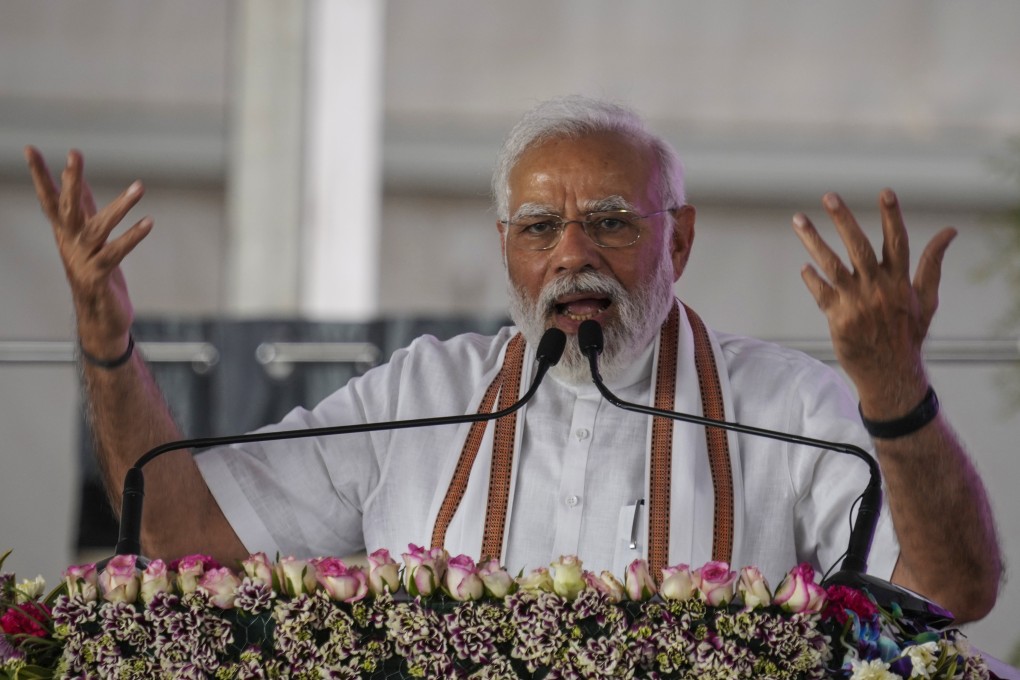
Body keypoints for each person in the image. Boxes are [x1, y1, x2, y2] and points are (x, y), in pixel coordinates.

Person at [26, 96, 999, 622]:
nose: (572, 252)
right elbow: (180, 533)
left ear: (681, 240)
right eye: (541, 226)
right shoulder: (423, 395)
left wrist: (895, 392)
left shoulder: (784, 405)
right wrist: (108, 342)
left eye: (611, 222)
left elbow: (953, 591)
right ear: (507, 249)